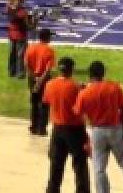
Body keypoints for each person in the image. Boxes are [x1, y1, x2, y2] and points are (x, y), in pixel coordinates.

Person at [74, 61, 123, 193]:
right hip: (115, 130)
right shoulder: (114, 87)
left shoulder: (84, 93)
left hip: (97, 132)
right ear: (103, 73)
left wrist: (82, 91)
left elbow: (77, 113)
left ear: (89, 75)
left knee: (99, 168)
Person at [44, 57, 90, 193]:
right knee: (80, 165)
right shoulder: (76, 87)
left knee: (56, 165)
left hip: (57, 129)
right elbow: (81, 108)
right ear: (71, 69)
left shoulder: (49, 84)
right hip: (74, 130)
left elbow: (47, 101)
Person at [25, 28, 56, 135]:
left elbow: (27, 65)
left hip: (32, 78)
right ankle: (41, 128)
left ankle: (33, 126)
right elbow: (48, 70)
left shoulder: (30, 48)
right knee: (44, 104)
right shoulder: (49, 50)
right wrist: (40, 81)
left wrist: (34, 79)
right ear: (47, 37)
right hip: (44, 79)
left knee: (34, 102)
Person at [8, 0, 31, 79]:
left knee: (13, 54)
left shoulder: (9, 8)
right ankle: (20, 73)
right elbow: (27, 24)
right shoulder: (23, 12)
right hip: (20, 35)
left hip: (12, 34)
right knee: (21, 55)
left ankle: (12, 71)